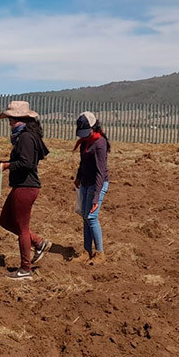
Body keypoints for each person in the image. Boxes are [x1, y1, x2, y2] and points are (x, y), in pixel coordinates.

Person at [0, 101, 51, 280]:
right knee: (5, 220)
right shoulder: (26, 136)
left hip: (26, 186)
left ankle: (25, 269)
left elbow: (27, 163)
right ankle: (38, 242)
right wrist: (2, 163)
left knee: (22, 227)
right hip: (22, 185)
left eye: (11, 119)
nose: (9, 123)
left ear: (20, 119)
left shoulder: (25, 137)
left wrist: (6, 165)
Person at [74, 111, 110, 265]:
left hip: (98, 183)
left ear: (93, 127)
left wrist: (96, 197)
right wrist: (78, 177)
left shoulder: (100, 143)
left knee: (92, 217)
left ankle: (100, 253)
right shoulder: (84, 142)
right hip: (85, 183)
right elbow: (83, 162)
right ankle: (86, 251)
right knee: (84, 217)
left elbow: (101, 172)